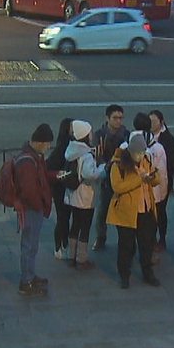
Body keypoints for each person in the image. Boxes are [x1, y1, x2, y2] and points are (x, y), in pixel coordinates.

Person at [108, 134, 162, 289]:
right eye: (137, 153)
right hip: (126, 212)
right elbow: (118, 187)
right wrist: (140, 179)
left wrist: (151, 177)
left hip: (145, 209)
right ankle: (124, 275)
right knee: (126, 246)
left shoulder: (146, 161)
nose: (140, 156)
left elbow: (157, 180)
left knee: (146, 245)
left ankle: (148, 272)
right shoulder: (118, 165)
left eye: (142, 152)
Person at [11, 123, 57, 296]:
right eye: (47, 143)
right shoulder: (28, 162)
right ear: (38, 142)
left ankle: (30, 275)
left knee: (32, 246)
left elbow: (42, 178)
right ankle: (26, 282)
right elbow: (29, 190)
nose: (48, 147)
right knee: (29, 246)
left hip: (33, 207)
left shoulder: (34, 157)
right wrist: (39, 205)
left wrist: (55, 175)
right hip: (31, 208)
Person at [64, 120, 104, 270]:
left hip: (73, 195)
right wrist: (103, 168)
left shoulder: (71, 150)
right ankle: (81, 259)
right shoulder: (86, 154)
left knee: (75, 225)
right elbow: (90, 174)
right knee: (85, 227)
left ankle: (71, 255)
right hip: (86, 197)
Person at [92, 104, 129, 250]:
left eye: (120, 118)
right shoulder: (99, 135)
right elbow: (97, 155)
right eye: (115, 118)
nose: (118, 121)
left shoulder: (126, 134)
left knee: (122, 212)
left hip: (121, 178)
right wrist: (107, 166)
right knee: (102, 211)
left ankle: (123, 241)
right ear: (107, 118)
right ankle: (100, 238)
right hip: (106, 178)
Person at [135, 113, 168, 265]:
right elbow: (162, 174)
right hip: (152, 194)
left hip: (133, 194)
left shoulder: (125, 144)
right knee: (149, 227)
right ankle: (148, 255)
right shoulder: (157, 147)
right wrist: (162, 195)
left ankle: (132, 253)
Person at [149, 110, 174, 251]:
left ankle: (162, 238)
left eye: (154, 121)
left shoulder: (167, 138)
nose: (151, 124)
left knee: (161, 211)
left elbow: (172, 160)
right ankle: (151, 238)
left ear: (161, 122)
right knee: (150, 212)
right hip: (149, 180)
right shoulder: (146, 135)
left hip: (163, 180)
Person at [47, 118, 74, 260]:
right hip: (60, 187)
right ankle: (60, 246)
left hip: (63, 186)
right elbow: (50, 165)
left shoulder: (66, 144)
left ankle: (63, 244)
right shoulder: (63, 146)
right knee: (63, 218)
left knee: (64, 217)